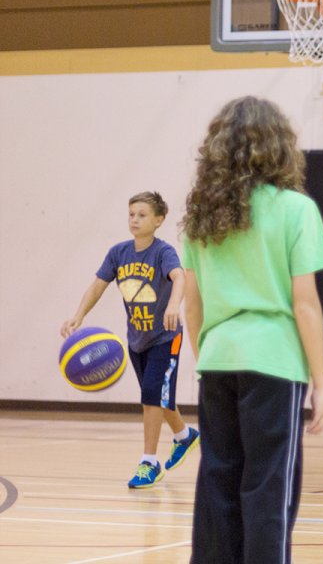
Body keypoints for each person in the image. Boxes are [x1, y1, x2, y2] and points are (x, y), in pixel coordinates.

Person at [181, 96, 323, 563]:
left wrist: (207, 357)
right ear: (279, 147)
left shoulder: (200, 218)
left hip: (217, 358)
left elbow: (193, 305)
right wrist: (322, 386)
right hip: (274, 362)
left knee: (217, 483)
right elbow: (304, 305)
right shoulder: (295, 209)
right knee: (269, 488)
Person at [61, 191, 199, 489]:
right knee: (159, 399)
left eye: (142, 215)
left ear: (159, 220)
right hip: (137, 339)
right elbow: (98, 285)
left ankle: (149, 462)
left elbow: (180, 278)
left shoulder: (163, 253)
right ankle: (184, 436)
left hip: (165, 336)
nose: (135, 219)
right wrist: (79, 315)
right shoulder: (118, 253)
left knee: (151, 395)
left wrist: (175, 305)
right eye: (131, 214)